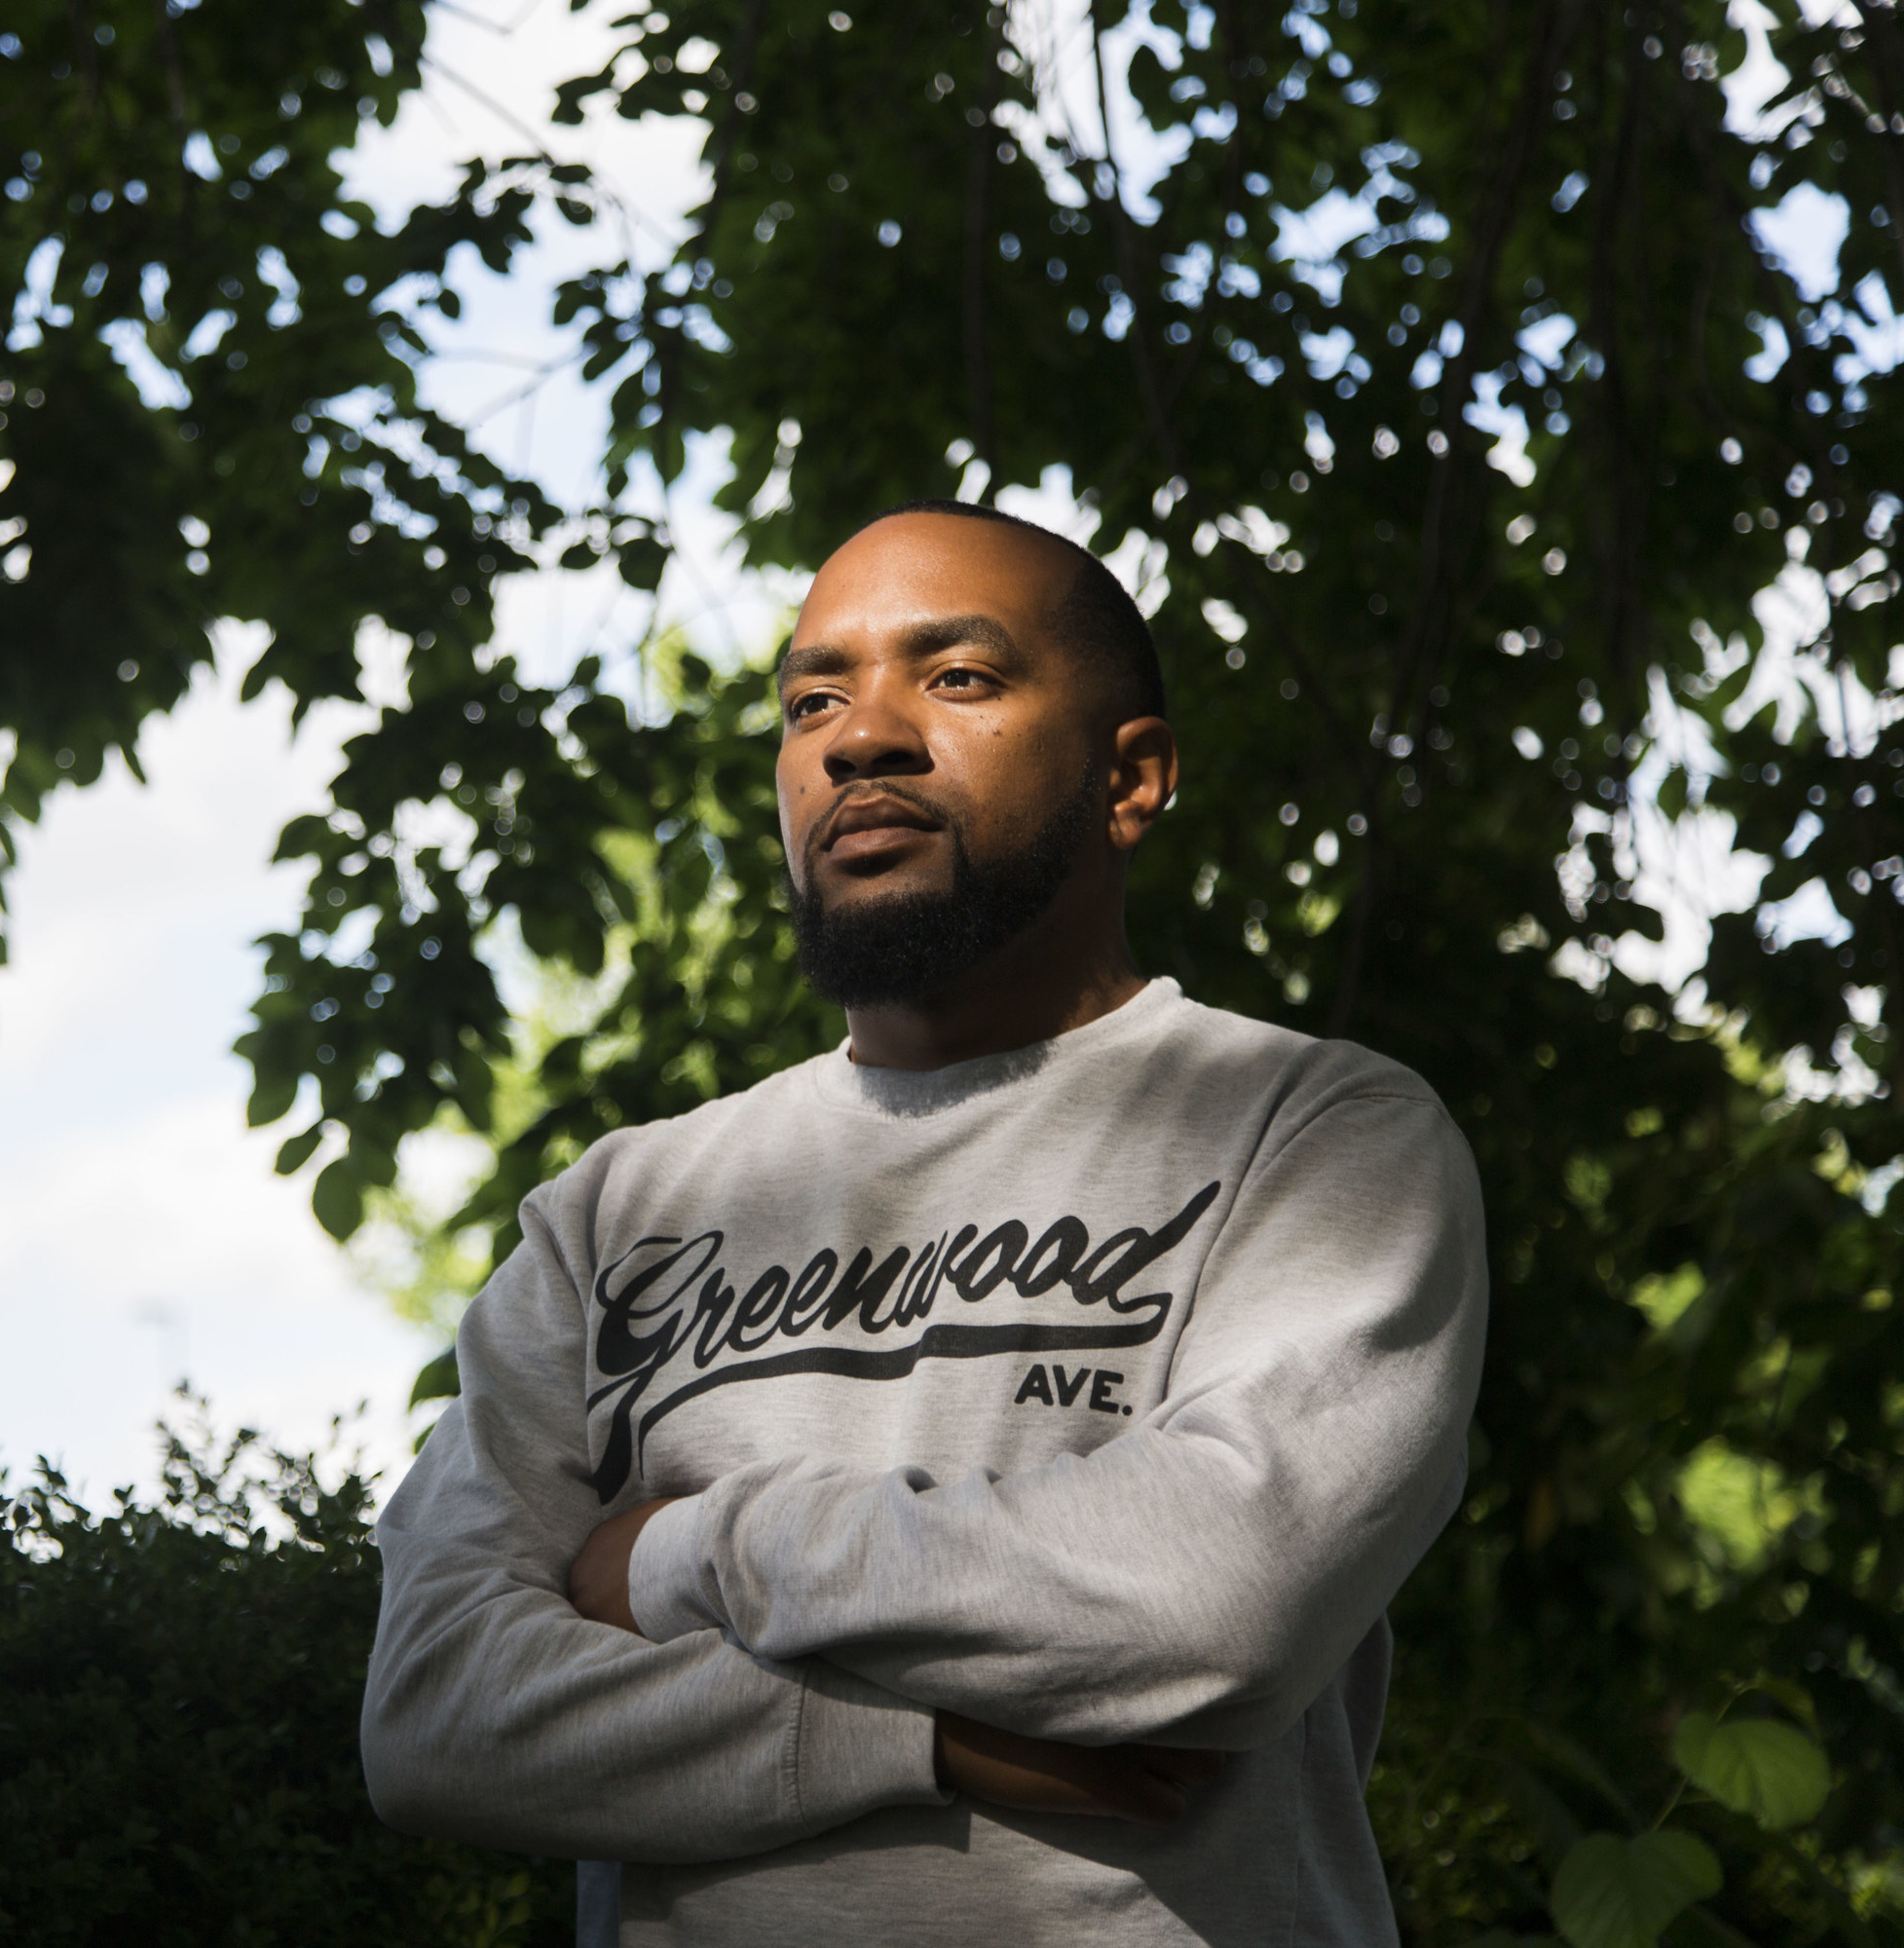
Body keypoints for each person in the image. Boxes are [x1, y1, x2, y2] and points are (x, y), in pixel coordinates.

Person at [359, 502, 1488, 1946]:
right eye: (812, 698)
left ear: (1130, 778)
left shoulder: (1316, 1132)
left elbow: (1217, 1600)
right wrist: (910, 1744)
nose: (859, 738)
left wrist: (673, 1559)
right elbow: (437, 1711)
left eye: (956, 679)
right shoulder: (617, 1213)